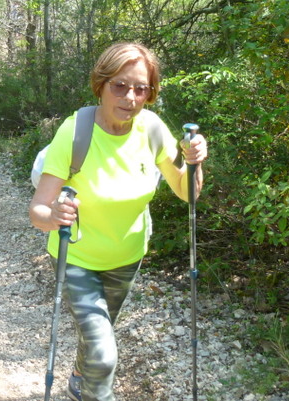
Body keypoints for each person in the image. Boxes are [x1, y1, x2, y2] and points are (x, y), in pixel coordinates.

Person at [28, 42, 208, 401]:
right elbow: (38, 211)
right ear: (101, 84)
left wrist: (195, 162)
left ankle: (81, 377)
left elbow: (188, 193)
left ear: (150, 93)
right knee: (104, 354)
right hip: (76, 256)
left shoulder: (153, 129)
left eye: (141, 89)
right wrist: (55, 216)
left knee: (97, 336)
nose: (130, 97)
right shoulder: (74, 131)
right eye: (120, 86)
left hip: (127, 257)